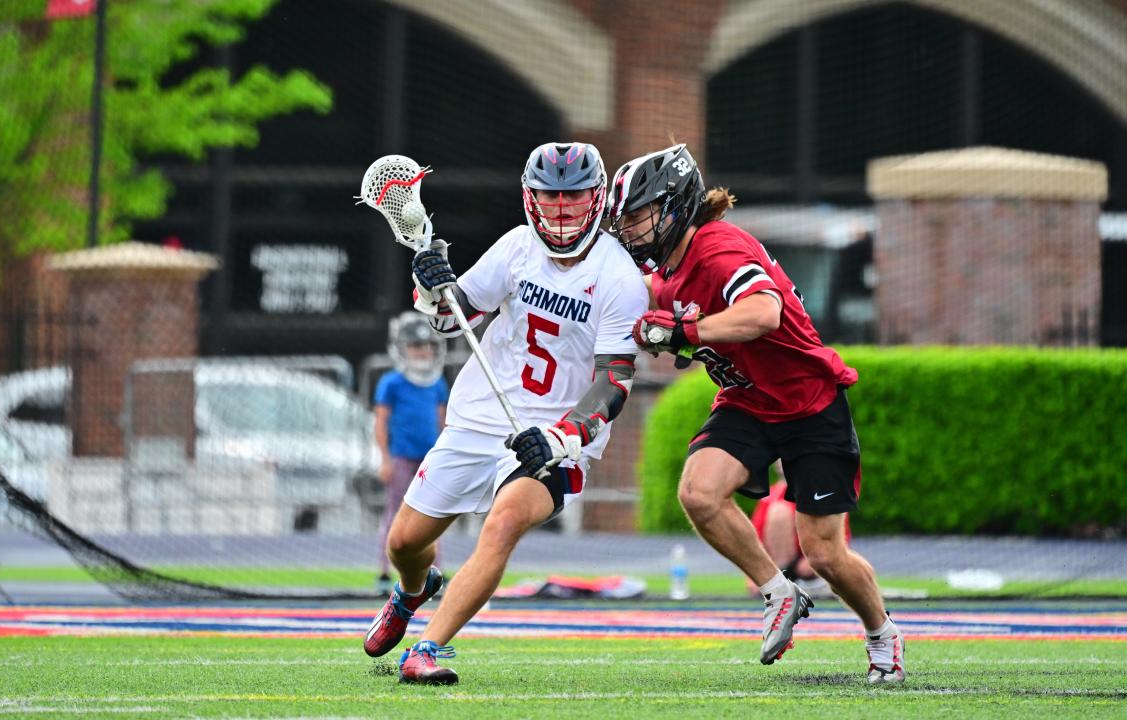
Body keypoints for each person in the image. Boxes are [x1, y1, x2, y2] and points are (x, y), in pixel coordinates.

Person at [607, 144, 905, 684]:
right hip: (749, 400)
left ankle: (882, 633)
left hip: (808, 402)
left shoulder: (718, 249)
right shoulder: (666, 275)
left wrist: (683, 333)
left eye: (637, 215)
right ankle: (778, 592)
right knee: (698, 493)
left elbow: (763, 313)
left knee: (825, 553)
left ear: (674, 205)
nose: (629, 229)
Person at [363, 141, 649, 685]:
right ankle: (411, 592)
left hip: (557, 432)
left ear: (597, 198)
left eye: (575, 197)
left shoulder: (619, 277)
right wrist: (430, 286)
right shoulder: (517, 247)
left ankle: (427, 648)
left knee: (504, 523)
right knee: (403, 543)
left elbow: (615, 378)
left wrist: (563, 439)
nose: (562, 210)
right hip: (481, 415)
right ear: (529, 197)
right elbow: (452, 319)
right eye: (550, 197)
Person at [372, 311, 449, 595]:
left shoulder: (437, 383)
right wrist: (384, 458)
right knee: (395, 514)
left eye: (427, 345)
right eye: (416, 346)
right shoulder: (391, 383)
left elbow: (442, 423)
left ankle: (434, 571)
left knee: (434, 514)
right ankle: (384, 570)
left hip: (429, 458)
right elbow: (380, 421)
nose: (423, 351)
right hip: (402, 456)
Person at [746, 461, 849, 598]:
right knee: (778, 512)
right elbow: (754, 540)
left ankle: (820, 580)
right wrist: (755, 574)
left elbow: (841, 534)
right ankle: (781, 579)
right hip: (783, 562)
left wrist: (816, 560)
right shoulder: (769, 498)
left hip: (816, 562)